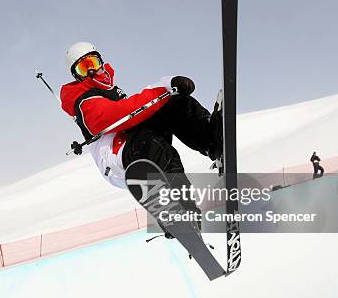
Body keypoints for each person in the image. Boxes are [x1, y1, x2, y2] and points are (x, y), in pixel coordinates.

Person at [60, 42, 221, 231]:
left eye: (92, 63)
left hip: (134, 139)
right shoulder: (82, 99)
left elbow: (138, 108)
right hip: (117, 157)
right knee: (155, 147)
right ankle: (178, 213)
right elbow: (119, 114)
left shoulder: (112, 91)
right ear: (76, 76)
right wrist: (164, 87)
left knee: (175, 103)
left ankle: (212, 141)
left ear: (101, 62)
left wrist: (171, 87)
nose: (91, 72)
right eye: (83, 68)